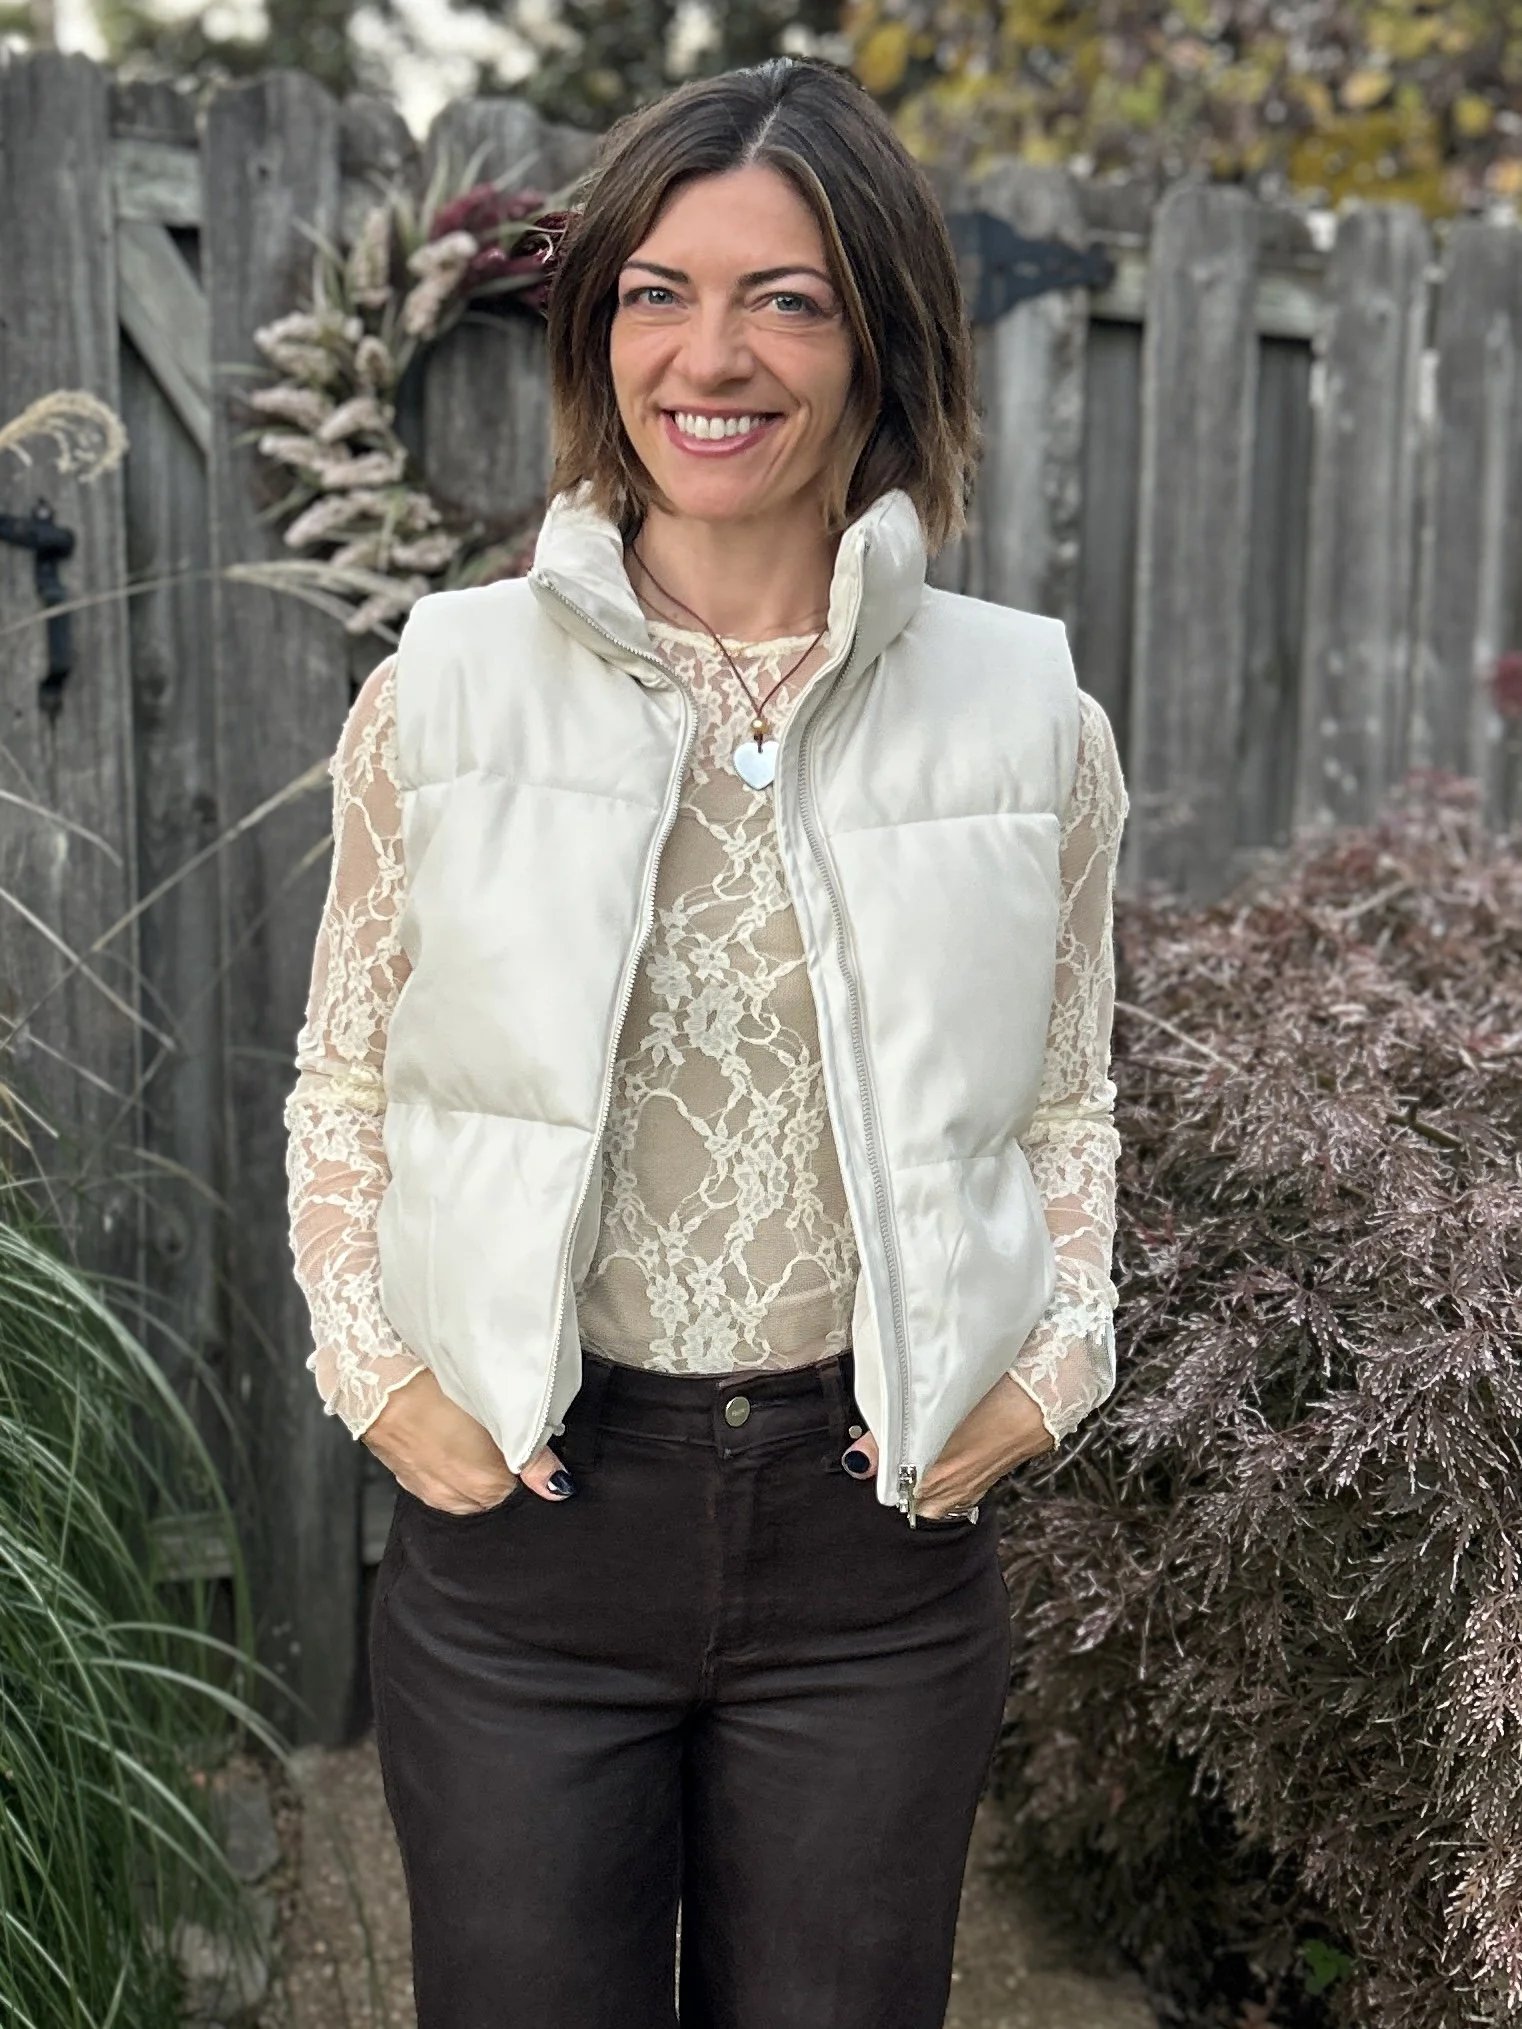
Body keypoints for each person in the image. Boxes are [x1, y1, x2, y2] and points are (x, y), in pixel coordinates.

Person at [284, 54, 1129, 2029]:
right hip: (531, 1539)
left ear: (877, 339)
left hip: (875, 1548)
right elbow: (348, 1072)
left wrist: (1055, 1361)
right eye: (655, 290)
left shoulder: (1026, 719)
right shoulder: (445, 688)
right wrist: (375, 1371)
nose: (709, 353)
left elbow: (1068, 1098)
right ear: (594, 336)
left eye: (786, 295)